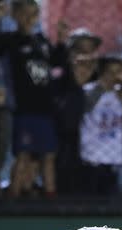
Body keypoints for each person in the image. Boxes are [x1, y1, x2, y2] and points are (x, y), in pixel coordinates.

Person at [0, 0, 67, 197]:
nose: (29, 19)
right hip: (24, 110)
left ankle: (51, 201)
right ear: (15, 16)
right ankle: (13, 201)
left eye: (33, 14)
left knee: (48, 156)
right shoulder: (10, 40)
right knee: (23, 156)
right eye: (24, 14)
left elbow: (57, 65)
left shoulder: (42, 42)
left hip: (46, 110)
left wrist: (61, 42)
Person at [78, 54, 122, 195]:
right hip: (91, 160)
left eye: (119, 72)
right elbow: (85, 106)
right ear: (101, 73)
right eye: (110, 72)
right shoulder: (88, 90)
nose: (114, 76)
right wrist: (103, 87)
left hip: (114, 161)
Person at [53, 52, 97, 194]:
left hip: (88, 158)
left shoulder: (93, 92)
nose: (84, 70)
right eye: (80, 65)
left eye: (89, 66)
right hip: (62, 155)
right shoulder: (58, 88)